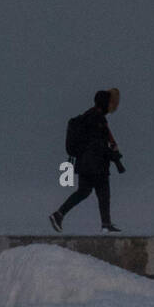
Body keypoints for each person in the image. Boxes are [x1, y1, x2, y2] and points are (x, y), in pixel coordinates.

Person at [50, 89, 123, 233]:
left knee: (85, 191)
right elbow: (97, 144)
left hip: (86, 163)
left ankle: (59, 214)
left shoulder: (90, 116)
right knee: (102, 192)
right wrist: (112, 155)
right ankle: (106, 225)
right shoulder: (96, 119)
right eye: (110, 103)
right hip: (95, 164)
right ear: (105, 103)